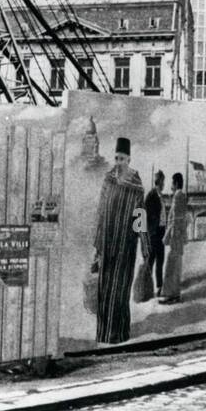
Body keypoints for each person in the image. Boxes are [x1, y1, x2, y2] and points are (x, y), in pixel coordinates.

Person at [92, 137, 146, 344]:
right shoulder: (108, 180)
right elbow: (100, 211)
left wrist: (144, 245)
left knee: (120, 290)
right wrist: (97, 246)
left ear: (129, 159)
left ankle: (119, 335)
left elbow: (140, 217)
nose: (118, 162)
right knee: (105, 290)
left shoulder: (136, 185)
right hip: (106, 243)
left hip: (125, 246)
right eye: (116, 158)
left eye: (122, 158)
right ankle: (104, 334)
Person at [159, 172, 188, 304]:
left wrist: (167, 236)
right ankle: (175, 293)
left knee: (171, 266)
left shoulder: (177, 196)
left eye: (172, 183)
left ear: (176, 183)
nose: (171, 185)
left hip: (175, 237)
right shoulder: (182, 196)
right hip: (179, 237)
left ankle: (171, 295)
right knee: (176, 266)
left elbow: (175, 220)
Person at [144, 169, 167, 296]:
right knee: (151, 261)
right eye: (163, 181)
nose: (164, 184)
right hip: (154, 233)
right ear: (159, 182)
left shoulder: (160, 195)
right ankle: (146, 287)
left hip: (161, 232)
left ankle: (159, 287)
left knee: (160, 260)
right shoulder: (151, 195)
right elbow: (145, 213)